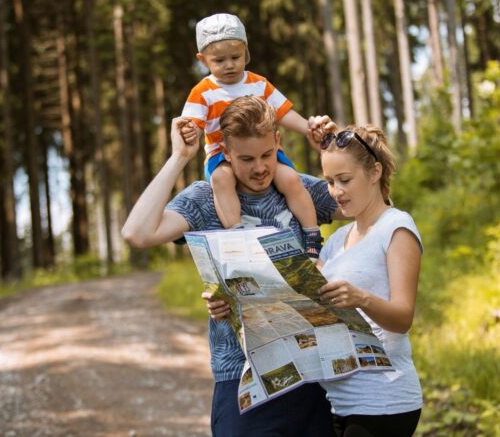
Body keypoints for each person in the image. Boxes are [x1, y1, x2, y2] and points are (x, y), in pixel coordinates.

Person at [122, 96, 339, 436]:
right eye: (246, 159)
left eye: (267, 155)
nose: (259, 168)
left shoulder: (296, 188)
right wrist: (179, 157)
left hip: (314, 370)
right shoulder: (204, 199)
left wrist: (336, 145)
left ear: (278, 142)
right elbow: (137, 233)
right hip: (240, 376)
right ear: (224, 150)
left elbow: (373, 203)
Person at [178, 12, 324, 258]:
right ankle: (237, 235)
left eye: (235, 57)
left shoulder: (258, 84)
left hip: (263, 152)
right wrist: (189, 131)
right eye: (219, 60)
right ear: (203, 60)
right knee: (222, 181)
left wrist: (308, 127)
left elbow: (284, 112)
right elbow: (191, 121)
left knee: (290, 178)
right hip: (220, 154)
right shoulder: (203, 91)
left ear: (246, 51)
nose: (229, 65)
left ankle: (311, 234)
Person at [316, 126, 423, 437]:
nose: (336, 191)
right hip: (338, 402)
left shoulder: (396, 228)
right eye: (330, 182)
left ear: (375, 172)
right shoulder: (336, 241)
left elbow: (403, 318)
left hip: (384, 401)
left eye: (345, 180)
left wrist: (361, 298)